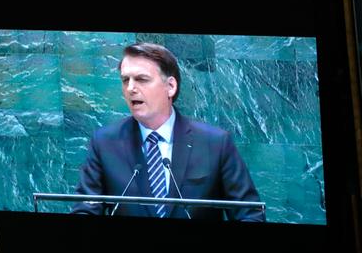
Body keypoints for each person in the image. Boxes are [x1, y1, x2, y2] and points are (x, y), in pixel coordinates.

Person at [72, 42, 265, 221]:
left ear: (170, 86)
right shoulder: (105, 143)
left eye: (141, 79)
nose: (130, 88)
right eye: (125, 80)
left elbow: (250, 214)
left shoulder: (215, 143)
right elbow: (84, 209)